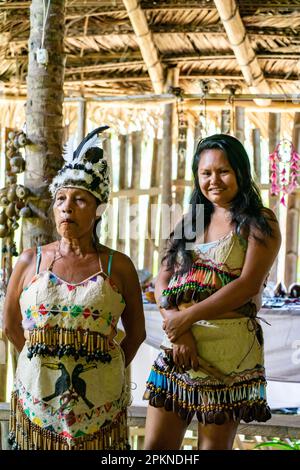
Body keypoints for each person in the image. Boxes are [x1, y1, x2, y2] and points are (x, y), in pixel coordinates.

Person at [3, 126, 146, 450]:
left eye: (80, 199)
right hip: (39, 397)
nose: (67, 206)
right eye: (61, 199)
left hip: (99, 403)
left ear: (98, 211)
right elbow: (11, 327)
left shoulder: (117, 266)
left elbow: (135, 333)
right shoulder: (29, 262)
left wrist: (105, 372)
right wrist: (39, 362)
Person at [143, 133, 281, 450]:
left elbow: (247, 285)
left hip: (227, 352)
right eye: (206, 173)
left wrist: (186, 317)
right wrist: (178, 331)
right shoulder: (191, 221)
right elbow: (161, 281)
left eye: (223, 171)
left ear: (241, 173)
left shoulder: (259, 221)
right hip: (177, 346)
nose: (214, 180)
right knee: (155, 449)